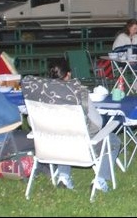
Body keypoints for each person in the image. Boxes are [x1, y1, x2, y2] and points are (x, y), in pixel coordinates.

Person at [32, 59, 120, 192]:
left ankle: (63, 176)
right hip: (80, 150)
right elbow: (97, 123)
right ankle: (100, 180)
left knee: (62, 134)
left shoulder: (39, 95)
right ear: (68, 74)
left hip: (51, 147)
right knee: (113, 140)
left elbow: (31, 121)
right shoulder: (79, 93)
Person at [112, 18, 137, 93]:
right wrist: (128, 59)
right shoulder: (121, 37)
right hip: (122, 62)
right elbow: (116, 51)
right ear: (128, 27)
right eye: (134, 28)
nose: (136, 31)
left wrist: (136, 58)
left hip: (135, 61)